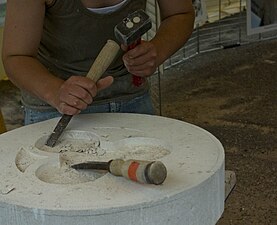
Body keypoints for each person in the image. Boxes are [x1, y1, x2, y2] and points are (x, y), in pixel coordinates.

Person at [2, 0, 195, 125]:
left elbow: (180, 14)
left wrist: (158, 49)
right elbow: (16, 57)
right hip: (54, 108)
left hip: (130, 97)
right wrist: (56, 91)